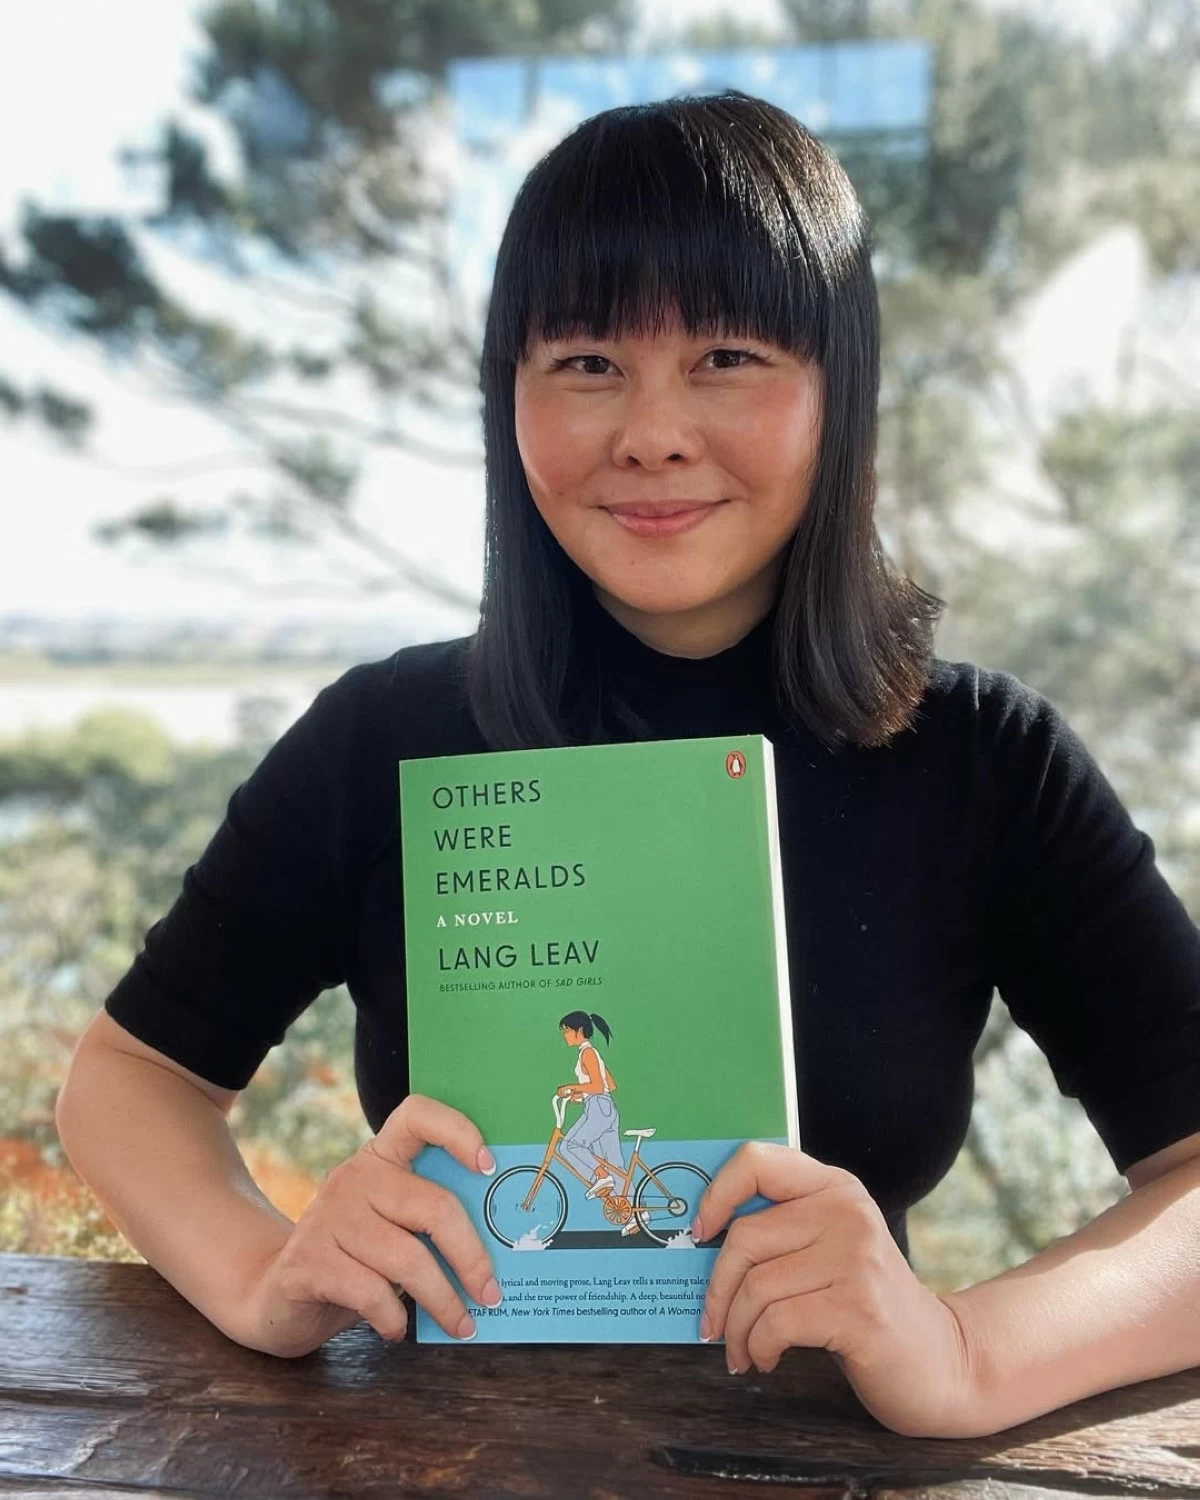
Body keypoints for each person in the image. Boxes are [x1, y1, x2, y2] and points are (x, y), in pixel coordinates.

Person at [54, 91, 1200, 1439]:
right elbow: (130, 1079)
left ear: (841, 390)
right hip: (438, 1461)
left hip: (829, 1463)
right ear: (510, 396)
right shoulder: (383, 736)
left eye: (727, 355)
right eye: (589, 360)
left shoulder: (985, 762)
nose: (653, 431)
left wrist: (963, 1350)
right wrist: (264, 1272)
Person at [554, 1011, 623, 1198]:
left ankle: (601, 1176)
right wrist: (580, 1095)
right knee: (614, 1165)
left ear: (580, 1030)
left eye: (567, 1030)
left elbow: (598, 1086)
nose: (564, 1035)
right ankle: (636, 1211)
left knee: (569, 1146)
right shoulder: (592, 1053)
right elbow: (610, 1085)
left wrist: (570, 1088)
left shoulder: (587, 1054)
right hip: (606, 1107)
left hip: (597, 1109)